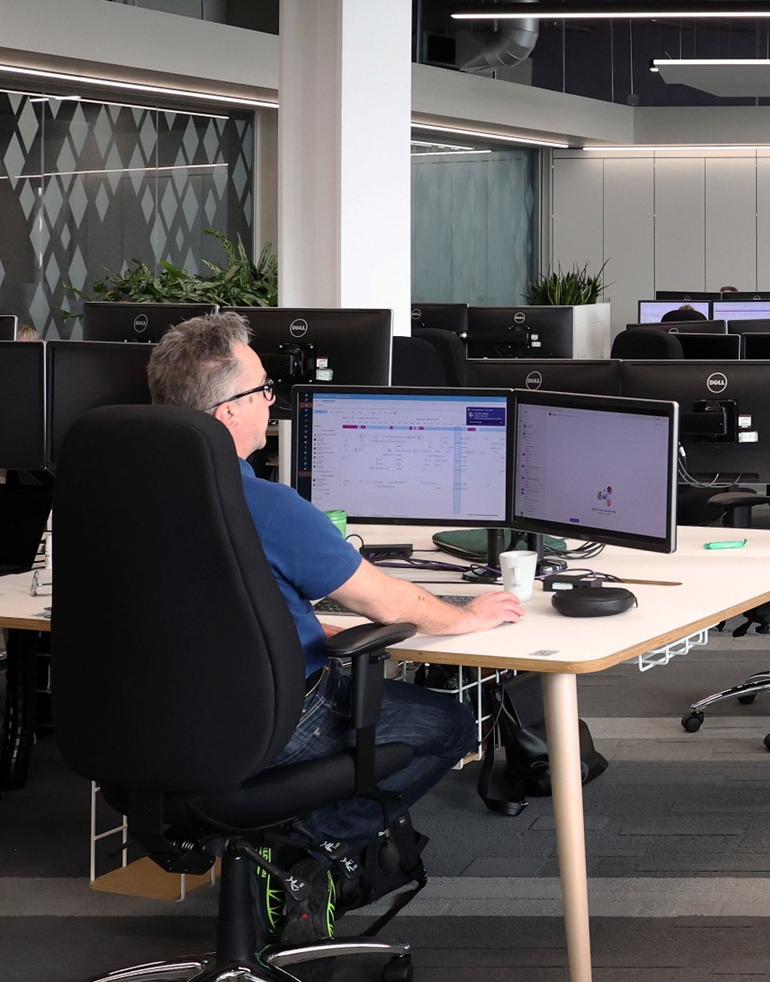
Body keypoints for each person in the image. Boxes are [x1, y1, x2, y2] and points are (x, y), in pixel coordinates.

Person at [146, 312, 526, 847]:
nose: (272, 402)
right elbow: (391, 604)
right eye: (263, 390)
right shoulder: (266, 505)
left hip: (150, 718)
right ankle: (316, 849)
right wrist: (467, 615)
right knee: (454, 724)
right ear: (229, 412)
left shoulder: (120, 489)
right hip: (275, 721)